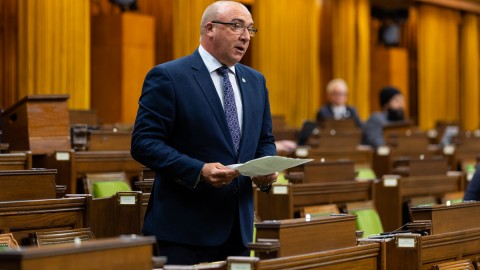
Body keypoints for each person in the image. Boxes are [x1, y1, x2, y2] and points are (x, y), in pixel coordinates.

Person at [130, 1, 277, 265]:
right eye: (236, 26)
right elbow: (144, 143)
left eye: (250, 30)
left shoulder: (256, 81)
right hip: (184, 231)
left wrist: (266, 170)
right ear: (209, 28)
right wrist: (198, 170)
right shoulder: (169, 76)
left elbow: (264, 140)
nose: (245, 36)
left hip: (239, 231)